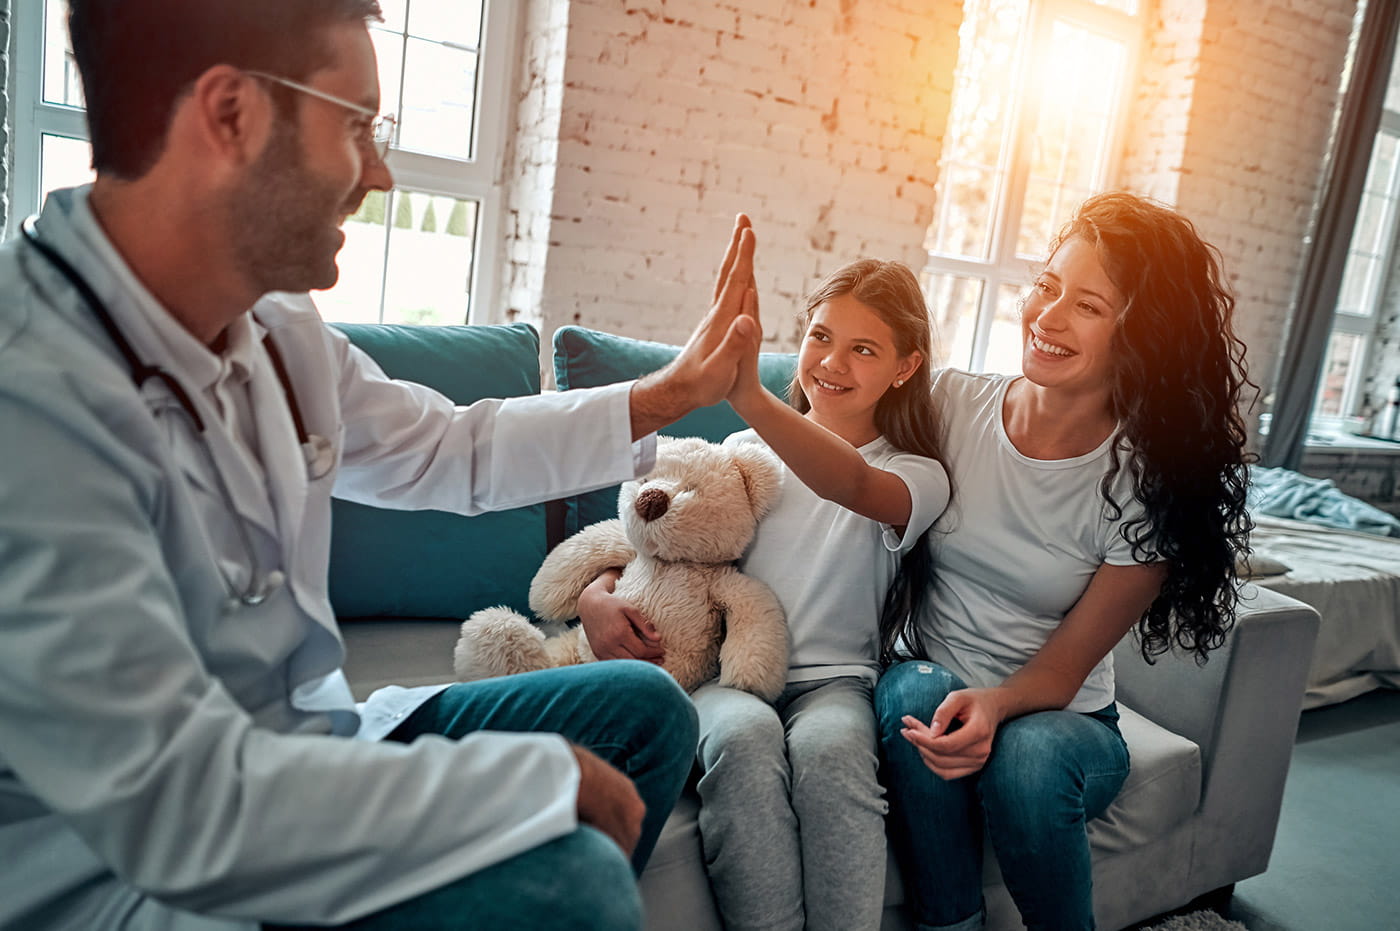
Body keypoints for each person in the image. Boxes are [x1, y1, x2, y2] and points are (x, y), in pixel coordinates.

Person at [0, 2, 766, 929]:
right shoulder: (31, 395)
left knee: (645, 710)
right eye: (356, 124)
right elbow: (182, 808)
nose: (380, 171)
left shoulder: (275, 329)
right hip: (135, 872)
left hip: (314, 746)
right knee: (575, 883)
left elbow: (451, 448)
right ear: (231, 113)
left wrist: (667, 396)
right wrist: (526, 782)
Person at [875, 191, 1254, 931]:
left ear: (1141, 335)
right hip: (934, 678)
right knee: (913, 690)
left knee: (1027, 755)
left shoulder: (1148, 482)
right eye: (1046, 287)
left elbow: (1060, 674)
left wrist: (995, 704)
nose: (1046, 317)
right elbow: (841, 466)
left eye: (1087, 304)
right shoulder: (952, 404)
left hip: (1064, 719)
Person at [582, 254, 951, 930]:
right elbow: (650, 540)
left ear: (904, 367)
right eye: (820, 337)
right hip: (727, 674)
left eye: (863, 349)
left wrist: (749, 391)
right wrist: (596, 597)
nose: (832, 363)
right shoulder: (742, 451)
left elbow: (853, 486)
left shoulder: (914, 474)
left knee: (832, 754)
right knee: (743, 740)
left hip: (835, 682)